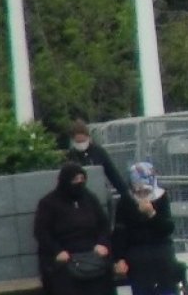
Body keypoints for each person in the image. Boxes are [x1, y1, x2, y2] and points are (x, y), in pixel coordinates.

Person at [33, 163, 116, 295]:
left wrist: (102, 243)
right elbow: (41, 232)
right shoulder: (49, 203)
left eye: (82, 179)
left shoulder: (89, 198)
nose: (79, 183)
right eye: (75, 179)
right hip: (66, 257)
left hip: (93, 254)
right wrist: (57, 251)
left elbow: (103, 224)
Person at [113, 162, 180, 295]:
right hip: (137, 255)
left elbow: (167, 229)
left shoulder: (161, 198)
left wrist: (151, 214)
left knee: (166, 287)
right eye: (139, 191)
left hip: (161, 252)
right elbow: (120, 232)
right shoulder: (126, 202)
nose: (142, 194)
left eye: (146, 191)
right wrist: (118, 258)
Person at [66, 119, 131, 201]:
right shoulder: (71, 156)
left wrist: (126, 194)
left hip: (100, 193)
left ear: (88, 138)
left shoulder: (98, 152)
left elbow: (113, 174)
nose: (80, 144)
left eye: (82, 141)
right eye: (78, 142)